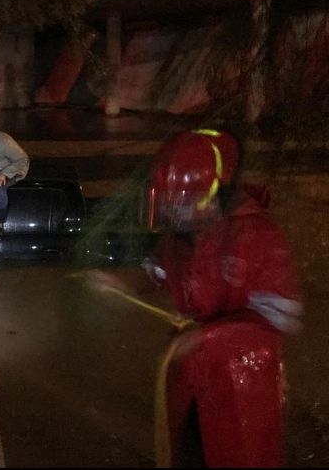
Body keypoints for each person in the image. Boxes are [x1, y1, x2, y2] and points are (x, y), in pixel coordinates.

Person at [86, 129, 302, 467]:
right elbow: (156, 270)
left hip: (243, 386)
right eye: (171, 203)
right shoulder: (182, 236)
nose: (175, 214)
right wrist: (120, 282)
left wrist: (205, 337)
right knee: (188, 454)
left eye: (182, 204)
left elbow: (281, 315)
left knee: (238, 456)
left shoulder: (259, 237)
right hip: (192, 380)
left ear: (215, 195)